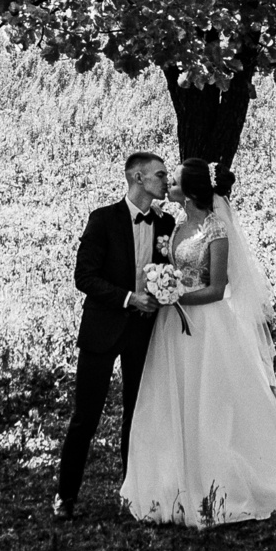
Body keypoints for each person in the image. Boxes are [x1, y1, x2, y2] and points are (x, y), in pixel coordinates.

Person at [120, 158, 276, 526]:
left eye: (172, 181)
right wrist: (165, 284)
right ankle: (171, 481)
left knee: (211, 401)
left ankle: (221, 480)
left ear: (187, 191)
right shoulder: (175, 226)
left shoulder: (215, 229)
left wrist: (177, 296)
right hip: (171, 328)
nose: (167, 186)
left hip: (206, 325)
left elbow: (218, 288)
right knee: (174, 399)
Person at [54, 150, 174, 520]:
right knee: (85, 416)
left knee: (136, 416)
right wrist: (128, 298)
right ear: (137, 178)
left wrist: (159, 294)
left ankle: (131, 494)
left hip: (144, 332)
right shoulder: (103, 219)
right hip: (103, 329)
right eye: (160, 174)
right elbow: (84, 277)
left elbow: (169, 269)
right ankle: (65, 497)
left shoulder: (167, 224)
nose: (165, 180)